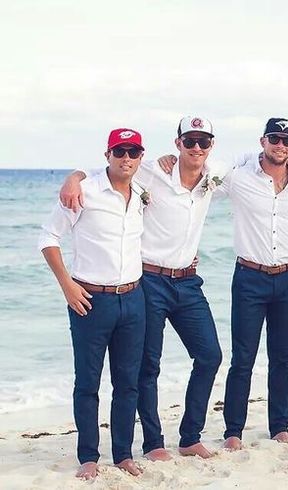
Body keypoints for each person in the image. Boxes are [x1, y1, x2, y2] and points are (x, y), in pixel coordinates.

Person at [58, 116, 228, 460]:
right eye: (190, 141)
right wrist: (72, 177)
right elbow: (105, 172)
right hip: (148, 280)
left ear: (211, 146)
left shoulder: (215, 175)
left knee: (210, 355)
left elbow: (259, 163)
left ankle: (190, 436)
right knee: (148, 365)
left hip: (188, 283)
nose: (197, 148)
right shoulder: (149, 170)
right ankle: (153, 443)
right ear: (177, 143)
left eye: (203, 142)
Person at [39, 128, 147, 479]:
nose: (126, 157)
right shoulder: (83, 192)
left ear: (140, 156)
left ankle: (123, 455)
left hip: (133, 299)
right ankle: (88, 456)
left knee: (128, 382)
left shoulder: (143, 192)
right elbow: (48, 237)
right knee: (88, 382)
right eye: (119, 151)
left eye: (133, 151)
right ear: (108, 155)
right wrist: (66, 285)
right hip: (89, 301)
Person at [218, 118, 288, 450]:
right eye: (275, 139)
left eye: (287, 141)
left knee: (282, 357)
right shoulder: (239, 177)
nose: (280, 146)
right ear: (263, 141)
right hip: (250, 277)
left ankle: (279, 427)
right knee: (242, 358)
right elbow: (212, 168)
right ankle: (233, 431)